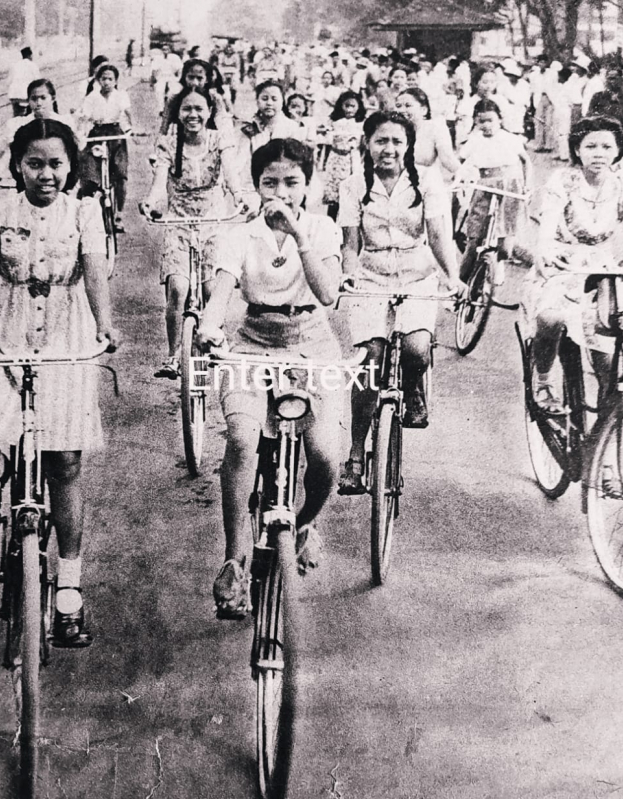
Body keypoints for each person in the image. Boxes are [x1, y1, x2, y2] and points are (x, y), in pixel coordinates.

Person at [0, 119, 116, 646]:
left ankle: (70, 590)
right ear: (17, 166)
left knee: (64, 464)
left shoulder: (85, 211)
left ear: (71, 166)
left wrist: (104, 324)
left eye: (56, 163)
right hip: (4, 330)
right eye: (35, 163)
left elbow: (95, 273)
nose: (46, 174)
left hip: (65, 332)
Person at [196, 138, 343, 618]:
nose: (281, 192)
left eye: (292, 182)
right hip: (253, 342)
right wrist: (209, 326)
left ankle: (302, 524)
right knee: (241, 438)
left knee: (325, 456)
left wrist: (299, 236)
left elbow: (328, 294)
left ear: (308, 185)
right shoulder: (239, 235)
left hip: (312, 344)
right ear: (257, 186)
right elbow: (221, 290)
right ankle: (234, 559)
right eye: (270, 183)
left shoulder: (322, 229)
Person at [336, 112, 464, 493]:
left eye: (396, 141)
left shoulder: (426, 181)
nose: (388, 149)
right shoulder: (354, 184)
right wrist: (347, 274)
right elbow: (349, 243)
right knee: (368, 361)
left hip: (416, 275)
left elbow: (439, 235)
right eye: (380, 141)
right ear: (368, 144)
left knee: (415, 349)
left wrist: (452, 277)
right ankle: (356, 455)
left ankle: (413, 388)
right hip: (372, 277)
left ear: (408, 145)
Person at [524, 116, 623, 412]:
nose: (599, 153)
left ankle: (601, 434)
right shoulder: (565, 179)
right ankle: (543, 380)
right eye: (591, 146)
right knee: (551, 318)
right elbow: (549, 217)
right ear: (577, 150)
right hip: (562, 260)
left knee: (608, 342)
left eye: (606, 146)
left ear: (617, 150)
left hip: (599, 265)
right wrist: (544, 249)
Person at [141, 87, 246, 380]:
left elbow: (231, 173)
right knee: (177, 288)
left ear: (209, 112)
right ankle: (174, 355)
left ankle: (215, 343)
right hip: (179, 223)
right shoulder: (168, 144)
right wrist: (150, 202)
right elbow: (160, 182)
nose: (193, 115)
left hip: (214, 222)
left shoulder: (218, 141)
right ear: (178, 113)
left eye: (200, 109)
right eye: (187, 109)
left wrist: (239, 196)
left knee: (213, 290)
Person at [456, 99, 530, 285]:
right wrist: (460, 179)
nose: (487, 125)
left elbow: (526, 162)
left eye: (491, 120)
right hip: (483, 187)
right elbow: (459, 161)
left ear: (500, 120)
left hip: (510, 187)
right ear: (476, 122)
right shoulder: (474, 141)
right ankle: (460, 287)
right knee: (473, 242)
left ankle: (497, 264)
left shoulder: (510, 139)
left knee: (505, 247)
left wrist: (528, 186)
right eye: (482, 121)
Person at [77, 63, 134, 232]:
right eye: (104, 78)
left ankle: (119, 215)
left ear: (116, 81)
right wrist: (80, 131)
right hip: (97, 134)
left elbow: (128, 112)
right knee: (90, 176)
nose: (107, 82)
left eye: (110, 79)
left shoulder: (121, 95)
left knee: (121, 175)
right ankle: (86, 214)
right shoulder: (92, 97)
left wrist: (133, 128)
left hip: (116, 134)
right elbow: (85, 116)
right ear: (98, 80)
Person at [0, 79, 77, 185]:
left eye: (43, 98)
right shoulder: (20, 124)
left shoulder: (65, 122)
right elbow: (10, 153)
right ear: (28, 101)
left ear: (53, 99)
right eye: (34, 99)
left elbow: (75, 155)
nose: (38, 103)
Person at [322, 90, 366, 220]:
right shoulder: (334, 122)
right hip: (336, 158)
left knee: (351, 190)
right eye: (346, 105)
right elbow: (327, 140)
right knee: (334, 192)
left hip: (353, 159)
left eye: (353, 106)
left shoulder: (361, 123)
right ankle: (331, 221)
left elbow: (364, 145)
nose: (349, 109)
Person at [395, 88, 459, 174]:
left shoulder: (435, 127)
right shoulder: (391, 129)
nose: (401, 110)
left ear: (423, 110)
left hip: (425, 182)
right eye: (398, 106)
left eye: (408, 105)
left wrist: (463, 173)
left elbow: (447, 159)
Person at [159, 59, 232, 135]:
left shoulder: (213, 97)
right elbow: (166, 119)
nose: (195, 83)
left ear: (207, 79)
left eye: (199, 78)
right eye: (191, 77)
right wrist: (162, 136)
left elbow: (220, 118)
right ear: (184, 77)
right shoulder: (176, 96)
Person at [7, 46, 41, 117]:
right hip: (26, 96)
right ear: (30, 55)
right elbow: (38, 82)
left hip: (14, 96)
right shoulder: (33, 65)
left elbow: (8, 82)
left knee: (17, 117)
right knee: (28, 118)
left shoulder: (14, 65)